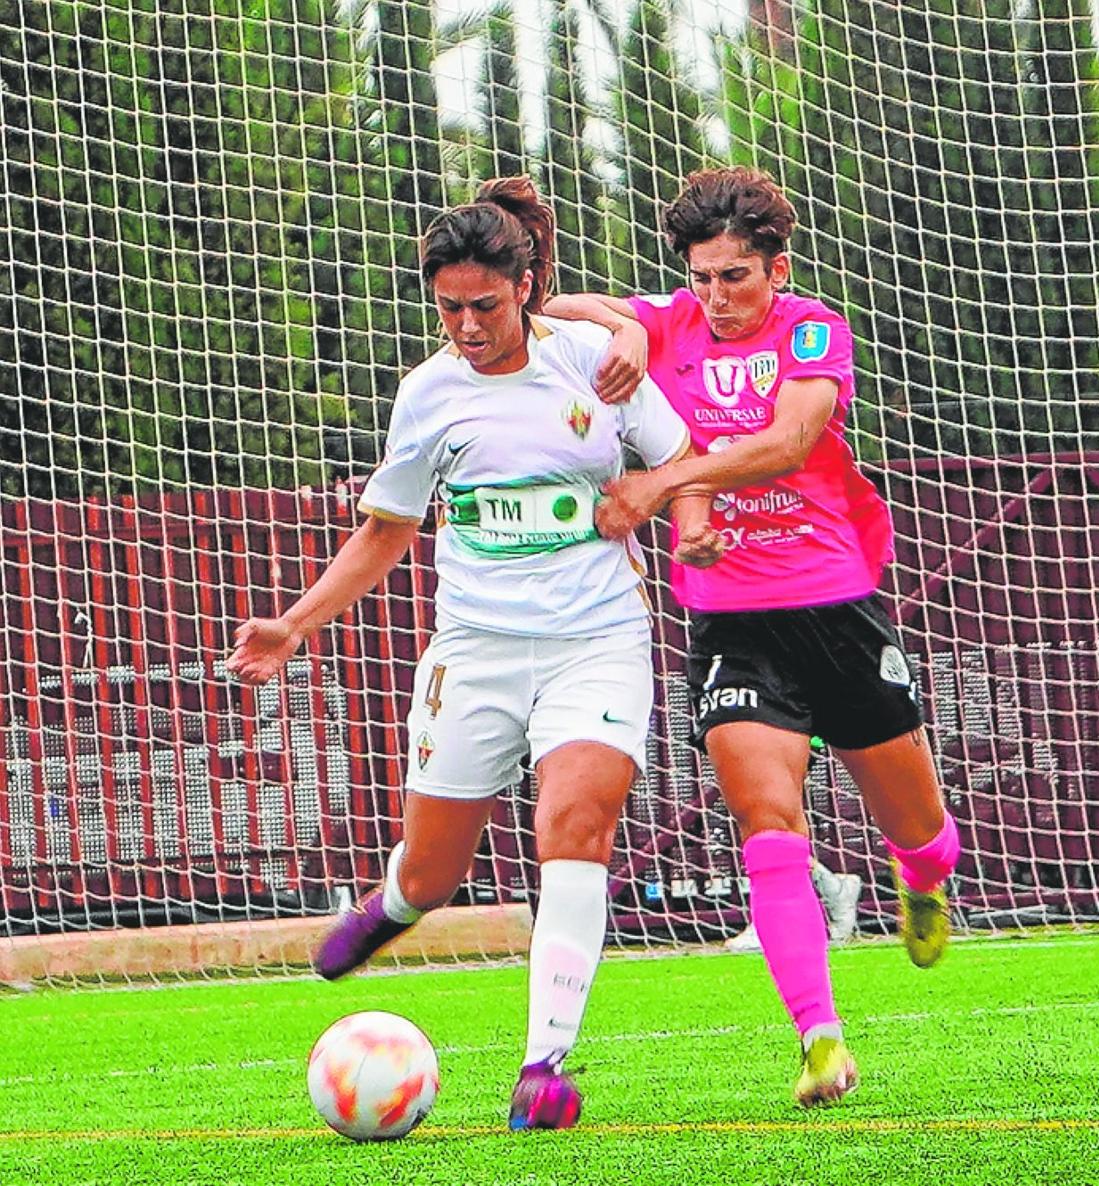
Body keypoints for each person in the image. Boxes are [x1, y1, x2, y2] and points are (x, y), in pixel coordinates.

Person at [226, 177, 718, 1132]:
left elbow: (678, 454)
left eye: (483, 305)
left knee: (576, 825)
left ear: (527, 287)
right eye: (448, 307)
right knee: (437, 871)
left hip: (597, 642)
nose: (465, 324)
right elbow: (384, 530)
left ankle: (546, 1064)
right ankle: (400, 900)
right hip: (477, 650)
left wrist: (674, 509)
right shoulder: (428, 393)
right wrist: (296, 624)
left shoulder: (594, 362)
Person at [545, 166, 961, 1108]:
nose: (717, 297)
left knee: (922, 829)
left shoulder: (812, 330)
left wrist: (661, 485)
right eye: (700, 277)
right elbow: (560, 304)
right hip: (733, 622)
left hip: (835, 606)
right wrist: (619, 326)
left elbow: (789, 443)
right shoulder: (671, 322)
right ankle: (820, 1039)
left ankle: (922, 876)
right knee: (766, 825)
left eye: (735, 276)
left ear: (776, 269)